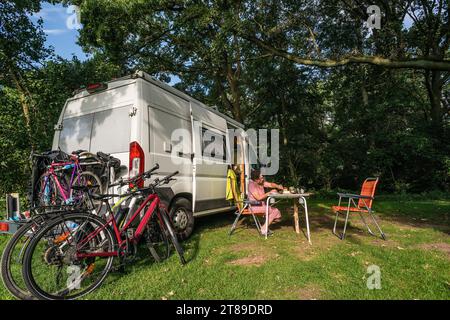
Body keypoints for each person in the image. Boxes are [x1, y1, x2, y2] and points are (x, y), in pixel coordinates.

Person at [248, 169, 284, 236]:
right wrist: (269, 193)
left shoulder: (261, 183)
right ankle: (264, 229)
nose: (263, 179)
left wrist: (278, 186)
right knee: (275, 211)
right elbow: (258, 198)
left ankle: (264, 228)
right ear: (256, 179)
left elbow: (270, 184)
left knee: (276, 212)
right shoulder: (252, 185)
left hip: (261, 206)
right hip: (254, 206)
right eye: (261, 178)